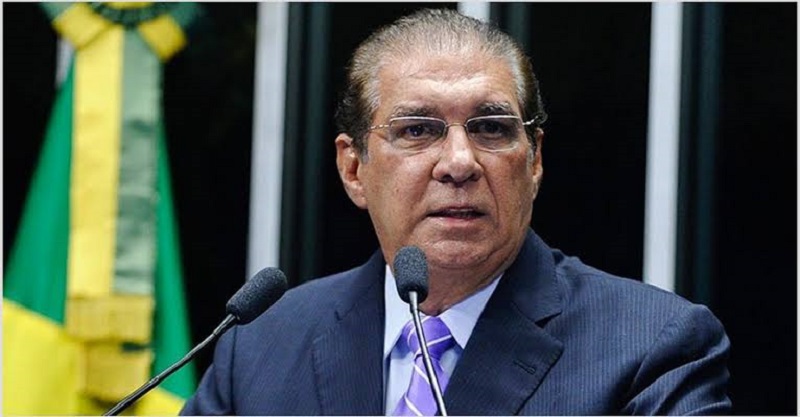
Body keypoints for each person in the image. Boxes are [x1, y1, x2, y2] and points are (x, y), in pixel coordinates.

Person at [181, 8, 730, 415]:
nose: (460, 162)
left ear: (534, 160)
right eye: (417, 130)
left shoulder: (652, 348)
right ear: (353, 169)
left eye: (491, 128)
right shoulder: (261, 347)